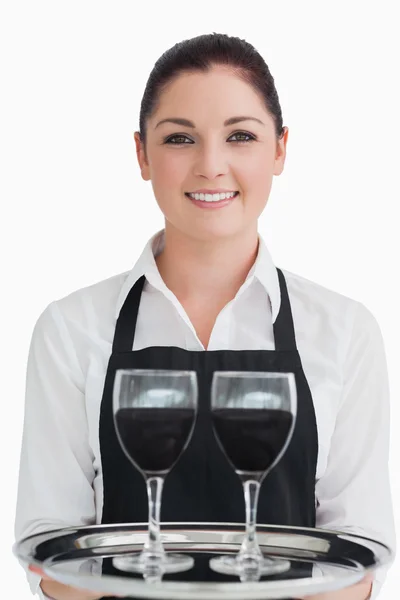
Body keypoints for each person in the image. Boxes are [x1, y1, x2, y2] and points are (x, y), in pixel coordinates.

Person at [15, 32, 395, 600]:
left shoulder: (345, 333)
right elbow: (49, 554)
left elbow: (357, 559)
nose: (211, 165)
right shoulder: (71, 330)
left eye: (240, 135)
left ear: (280, 150)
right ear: (142, 155)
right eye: (179, 139)